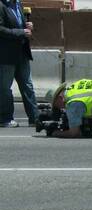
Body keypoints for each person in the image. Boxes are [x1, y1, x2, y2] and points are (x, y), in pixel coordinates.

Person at [0, 0, 38, 128]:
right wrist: (21, 32)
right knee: (5, 88)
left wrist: (28, 26)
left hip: (22, 53)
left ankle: (34, 118)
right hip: (7, 56)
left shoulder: (18, 4)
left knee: (28, 86)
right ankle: (5, 118)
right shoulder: (1, 5)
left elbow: (21, 25)